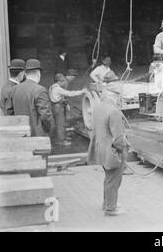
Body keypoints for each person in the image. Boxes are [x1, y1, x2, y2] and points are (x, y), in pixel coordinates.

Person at [86, 82, 129, 216]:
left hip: (102, 150)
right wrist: (122, 152)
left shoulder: (99, 107)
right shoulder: (114, 111)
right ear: (116, 96)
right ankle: (111, 208)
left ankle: (107, 203)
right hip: (113, 153)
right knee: (114, 180)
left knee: (108, 178)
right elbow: (118, 138)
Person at [12, 59, 54, 137]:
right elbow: (45, 115)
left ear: (25, 74)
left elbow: (12, 111)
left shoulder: (15, 88)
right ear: (38, 74)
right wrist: (48, 130)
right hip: (37, 135)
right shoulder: (40, 90)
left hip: (22, 134)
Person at [49, 73, 87, 147]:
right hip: (58, 107)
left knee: (60, 123)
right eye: (63, 81)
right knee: (60, 125)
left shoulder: (52, 86)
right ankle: (60, 141)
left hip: (56, 106)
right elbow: (70, 93)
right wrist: (82, 91)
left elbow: (61, 97)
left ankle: (62, 137)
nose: (64, 83)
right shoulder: (57, 89)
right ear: (59, 81)